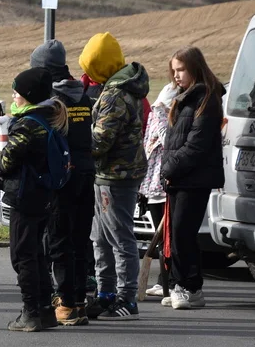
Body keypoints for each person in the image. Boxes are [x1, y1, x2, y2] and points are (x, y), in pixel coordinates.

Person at [0, 68, 70, 332]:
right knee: (37, 254)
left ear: (30, 96)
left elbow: (9, 159)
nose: (13, 95)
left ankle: (30, 312)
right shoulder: (48, 119)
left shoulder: (27, 124)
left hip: (24, 197)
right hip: (43, 196)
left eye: (17, 92)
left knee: (22, 256)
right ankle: (46, 311)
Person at [79, 32, 150, 320]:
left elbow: (100, 141)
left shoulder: (115, 94)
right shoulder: (122, 88)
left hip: (115, 176)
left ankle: (126, 297)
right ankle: (106, 294)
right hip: (110, 173)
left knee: (119, 237)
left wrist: (76, 142)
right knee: (101, 237)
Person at [30, 40, 94, 326]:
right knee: (80, 239)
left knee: (58, 240)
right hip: (86, 174)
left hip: (61, 176)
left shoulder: (51, 100)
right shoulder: (83, 95)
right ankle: (79, 301)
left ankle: (64, 303)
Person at [161, 46, 225, 310]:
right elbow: (174, 140)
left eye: (181, 70)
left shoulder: (208, 99)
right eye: (173, 70)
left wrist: (170, 168)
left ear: (195, 68)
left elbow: (196, 145)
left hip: (194, 178)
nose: (176, 76)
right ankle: (180, 285)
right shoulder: (184, 97)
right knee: (176, 234)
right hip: (179, 177)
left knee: (184, 234)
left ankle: (192, 288)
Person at [139, 81, 180, 297]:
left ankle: (172, 280)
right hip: (153, 185)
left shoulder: (171, 120)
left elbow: (169, 142)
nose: (158, 111)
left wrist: (164, 119)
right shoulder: (156, 117)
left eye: (163, 108)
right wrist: (142, 187)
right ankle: (164, 279)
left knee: (169, 238)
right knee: (160, 237)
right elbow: (147, 147)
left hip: (166, 185)